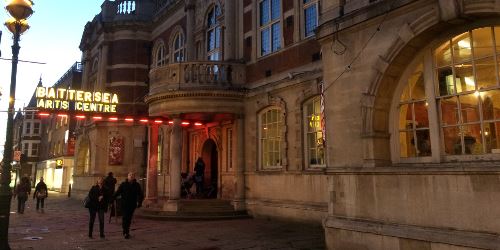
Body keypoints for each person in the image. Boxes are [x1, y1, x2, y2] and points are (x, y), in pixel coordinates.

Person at [113, 172, 144, 239]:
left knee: (129, 219)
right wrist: (112, 198)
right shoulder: (123, 184)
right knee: (125, 218)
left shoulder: (137, 185)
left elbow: (140, 194)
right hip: (124, 204)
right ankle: (125, 232)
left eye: (132, 175)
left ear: (134, 177)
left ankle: (127, 231)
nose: (131, 176)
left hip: (132, 204)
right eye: (130, 175)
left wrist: (139, 202)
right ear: (127, 176)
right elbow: (118, 192)